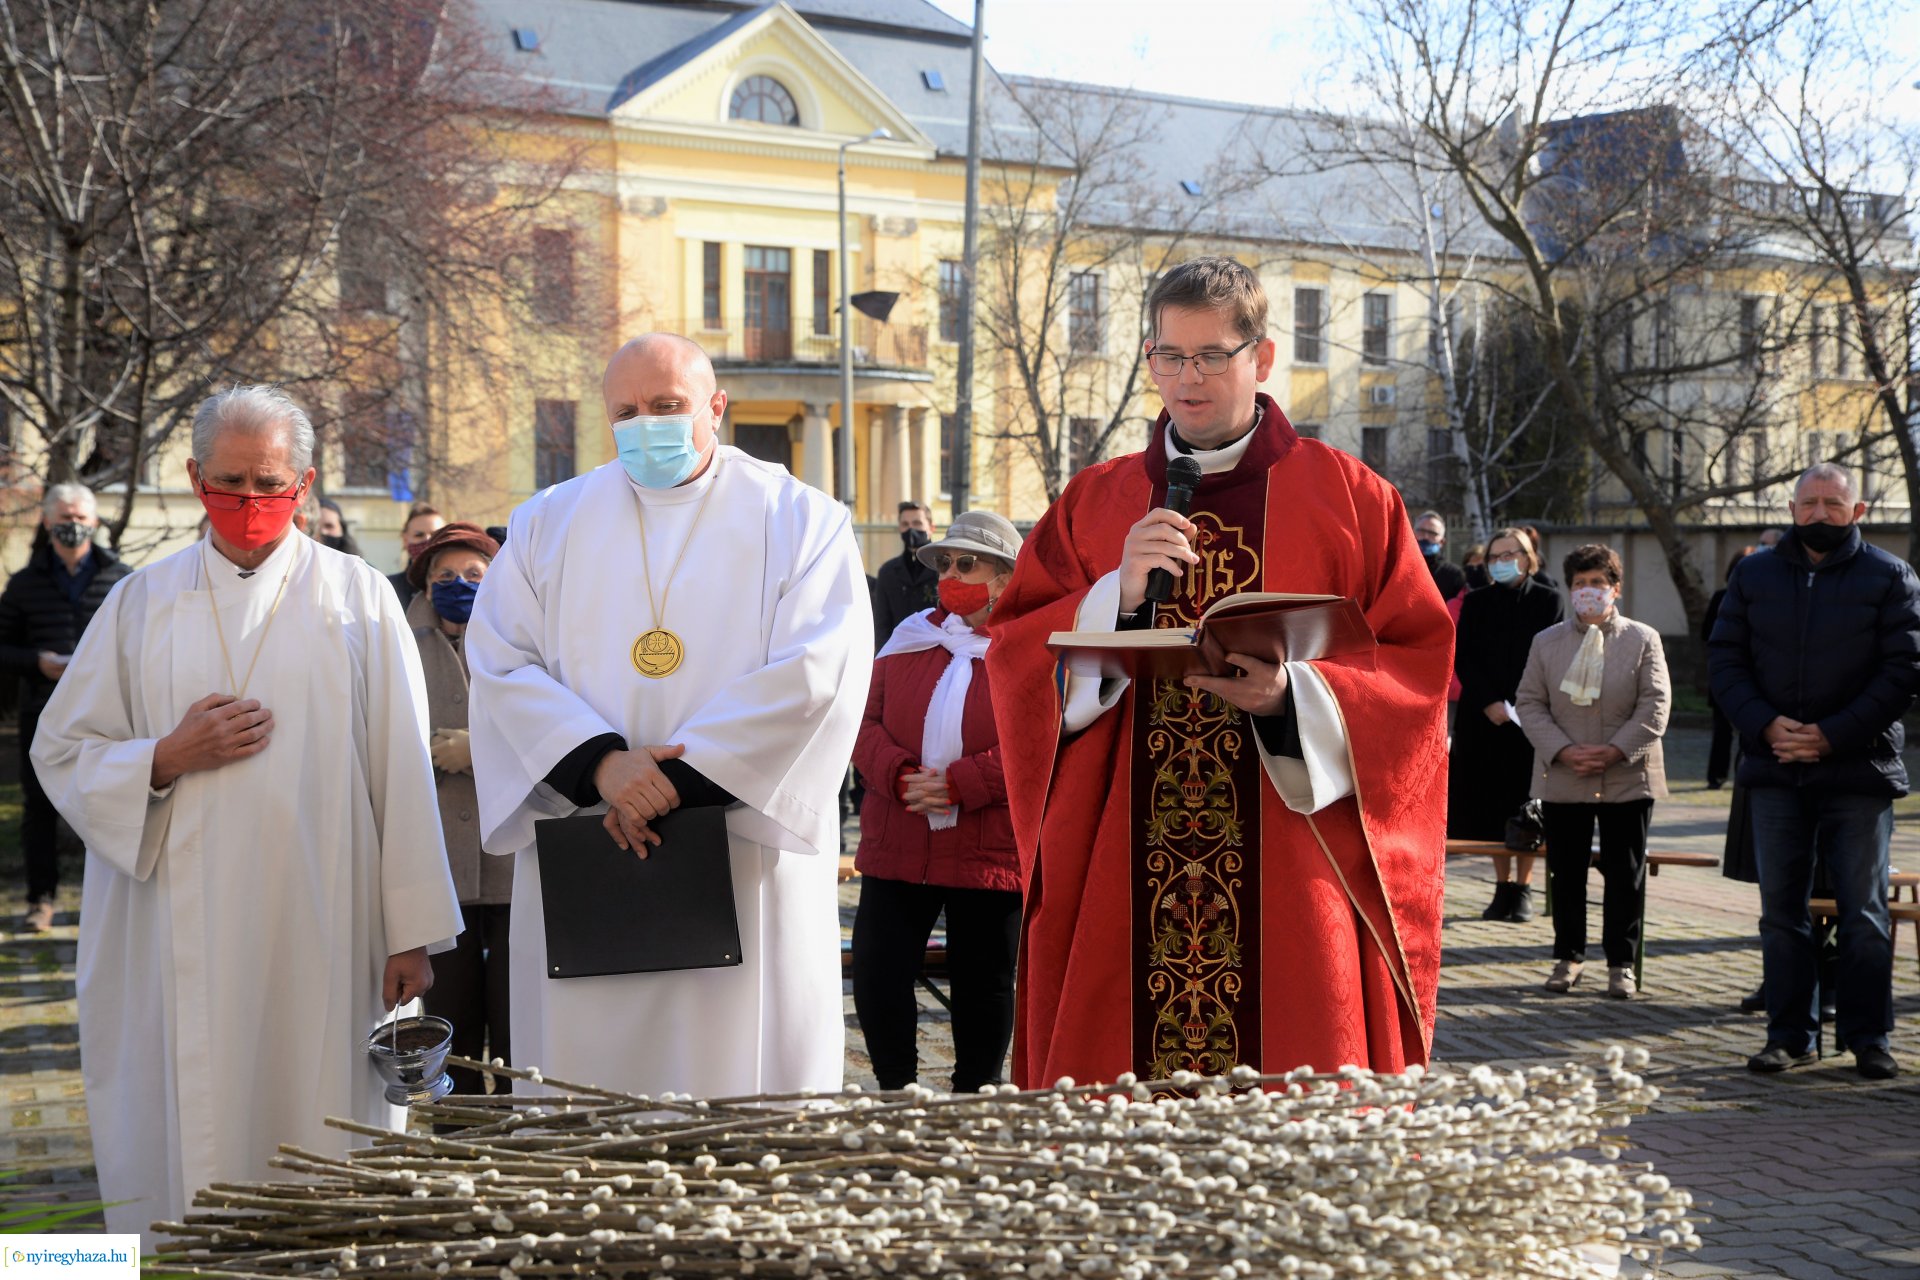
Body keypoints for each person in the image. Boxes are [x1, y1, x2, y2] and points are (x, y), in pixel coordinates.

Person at [987, 258, 1451, 1088]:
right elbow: (1016, 652)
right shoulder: (1095, 502)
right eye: (1167, 356)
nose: (1186, 378)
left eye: (1211, 356)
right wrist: (1110, 597)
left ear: (1262, 358)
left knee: (1298, 1087)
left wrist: (1292, 699)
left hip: (1290, 850)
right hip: (1127, 857)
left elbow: (1416, 673)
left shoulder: (1352, 497)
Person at [27, 385, 461, 1242]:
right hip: (171, 926)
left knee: (319, 1118)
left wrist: (410, 929)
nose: (251, 504)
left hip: (326, 920)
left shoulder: (358, 598)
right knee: (188, 1136)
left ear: (302, 482)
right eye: (229, 483)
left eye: (270, 484)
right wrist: (162, 756)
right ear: (194, 478)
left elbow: (402, 768)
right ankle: (176, 1254)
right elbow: (62, 749)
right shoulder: (140, 603)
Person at [466, 333, 873, 1100]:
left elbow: (819, 671)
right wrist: (599, 765)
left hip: (740, 847)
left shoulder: (799, 519)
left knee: (737, 1094)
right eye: (627, 411)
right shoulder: (549, 520)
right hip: (587, 831)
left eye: (667, 406)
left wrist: (674, 780)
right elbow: (499, 662)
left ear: (716, 407)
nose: (646, 424)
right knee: (587, 1090)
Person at [1709, 464, 1919, 1081]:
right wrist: (1767, 726)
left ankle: (1868, 1037)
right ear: (1792, 507)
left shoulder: (1891, 576)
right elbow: (1725, 662)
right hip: (1775, 769)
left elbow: (1903, 672)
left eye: (1833, 503)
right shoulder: (1753, 574)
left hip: (1859, 769)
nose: (1820, 514)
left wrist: (1831, 736)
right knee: (1782, 912)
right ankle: (1789, 1035)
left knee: (1864, 914)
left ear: (1858, 512)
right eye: (1809, 503)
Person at [852, 511, 1023, 1094]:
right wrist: (898, 773)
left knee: (985, 980)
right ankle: (896, 1090)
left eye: (966, 563)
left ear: (1003, 576)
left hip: (988, 843)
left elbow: (1044, 738)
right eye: (945, 563)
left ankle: (974, 1095)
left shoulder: (1029, 645)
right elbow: (862, 720)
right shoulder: (910, 635)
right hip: (899, 835)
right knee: (879, 970)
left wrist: (965, 783)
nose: (950, 572)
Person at [1515, 544, 1670, 999]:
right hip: (1565, 775)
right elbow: (1530, 703)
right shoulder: (1547, 642)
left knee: (1626, 873)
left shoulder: (1643, 639)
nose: (1588, 592)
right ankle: (1568, 958)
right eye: (1580, 584)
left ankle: (1622, 964)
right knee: (1566, 872)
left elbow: (1655, 705)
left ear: (1615, 589)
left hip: (1627, 775)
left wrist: (1615, 750)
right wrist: (1563, 750)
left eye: (1597, 583)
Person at [408, 521, 512, 1097]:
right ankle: (457, 1131)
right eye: (444, 576)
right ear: (424, 587)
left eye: (474, 575)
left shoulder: (521, 638)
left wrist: (481, 750)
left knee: (519, 1015)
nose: (458, 585)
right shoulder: (397, 643)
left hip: (513, 865)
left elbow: (553, 728)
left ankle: (526, 1136)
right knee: (452, 1022)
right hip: (438, 866)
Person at [0, 485, 131, 932]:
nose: (72, 523)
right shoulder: (24, 584)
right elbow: (2, 647)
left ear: (94, 522)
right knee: (39, 808)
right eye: (63, 516)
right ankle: (41, 901)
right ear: (47, 521)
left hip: (111, 715)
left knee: (112, 804)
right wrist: (37, 663)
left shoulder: (122, 580)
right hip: (43, 711)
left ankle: (115, 903)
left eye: (79, 515)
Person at [1449, 527, 1565, 922]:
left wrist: (1520, 704)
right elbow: (1464, 656)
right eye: (1495, 556)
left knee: (1526, 801)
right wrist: (1489, 702)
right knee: (1488, 802)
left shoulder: (1548, 600)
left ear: (1528, 557)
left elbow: (1549, 656)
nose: (1501, 562)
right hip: (1483, 716)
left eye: (1510, 554)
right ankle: (1501, 887)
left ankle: (1525, 888)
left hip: (1530, 715)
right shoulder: (1477, 602)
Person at [872, 500, 939, 647]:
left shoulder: (944, 568)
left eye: (917, 523)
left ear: (931, 528)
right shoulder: (888, 572)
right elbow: (881, 624)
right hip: (899, 652)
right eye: (905, 525)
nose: (911, 529)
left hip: (938, 652)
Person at [387, 502, 447, 607]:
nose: (428, 540)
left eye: (435, 534)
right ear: (405, 540)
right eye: (419, 535)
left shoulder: (460, 584)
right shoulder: (389, 587)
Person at [1414, 510, 1467, 601]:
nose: (1426, 537)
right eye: (1421, 531)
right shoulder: (1398, 567)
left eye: (1432, 533)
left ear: (1442, 542)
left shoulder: (1454, 575)